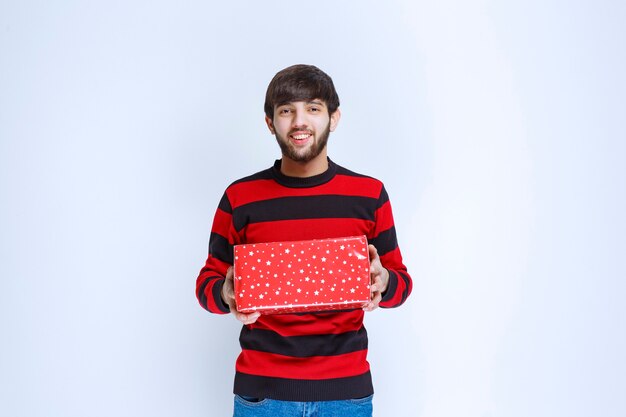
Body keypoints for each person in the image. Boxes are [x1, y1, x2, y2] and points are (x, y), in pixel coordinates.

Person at [196, 64, 412, 417]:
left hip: (346, 396)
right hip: (262, 396)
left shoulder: (369, 195)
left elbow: (402, 285)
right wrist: (226, 292)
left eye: (312, 108)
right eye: (286, 111)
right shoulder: (240, 197)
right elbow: (206, 285)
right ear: (270, 123)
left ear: (333, 118)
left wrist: (384, 281)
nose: (300, 122)